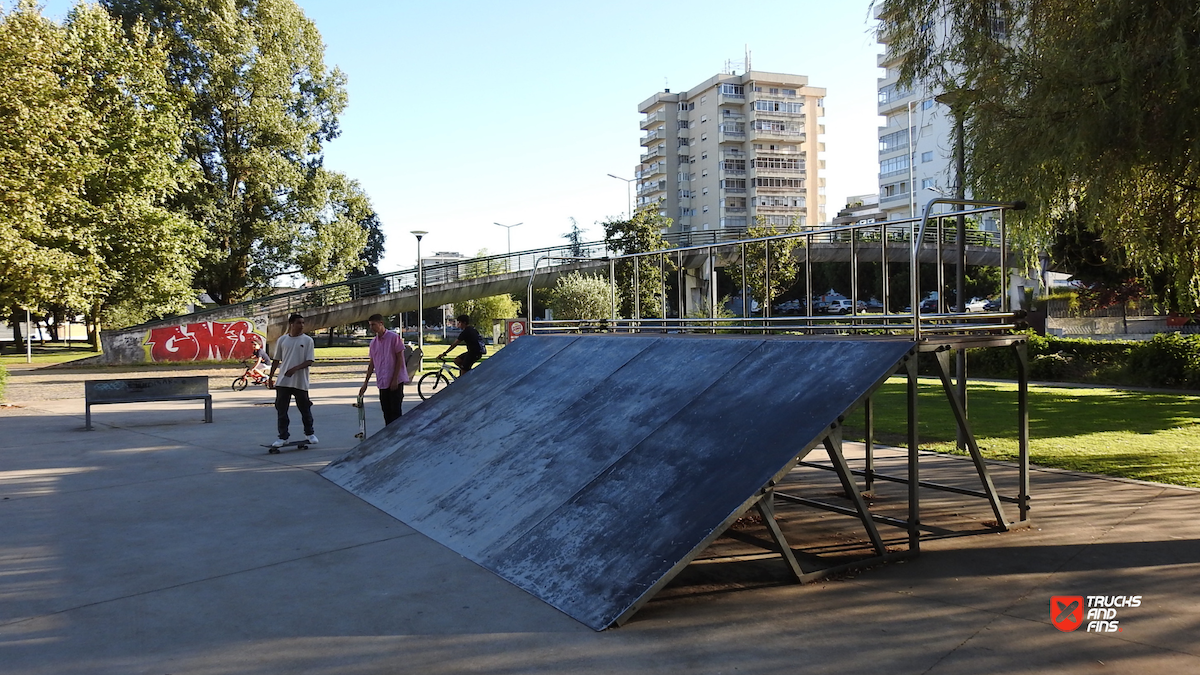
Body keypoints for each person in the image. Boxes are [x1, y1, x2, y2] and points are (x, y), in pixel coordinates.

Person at [267, 313, 317, 447]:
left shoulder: (307, 340)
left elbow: (309, 361)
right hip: (283, 381)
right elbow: (276, 360)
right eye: (298, 323)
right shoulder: (282, 340)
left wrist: (295, 369)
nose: (301, 326)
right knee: (282, 410)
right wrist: (271, 377)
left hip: (300, 381)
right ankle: (283, 436)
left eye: (303, 323)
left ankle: (309, 433)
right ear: (291, 324)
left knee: (305, 408)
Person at [358, 313, 409, 425]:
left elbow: (400, 358)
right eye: (370, 325)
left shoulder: (393, 338)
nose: (371, 328)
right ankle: (389, 436)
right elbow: (372, 364)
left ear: (381, 323)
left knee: (395, 412)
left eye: (373, 325)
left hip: (395, 380)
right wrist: (365, 383)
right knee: (386, 412)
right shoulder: (373, 343)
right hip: (383, 381)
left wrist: (395, 378)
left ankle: (397, 436)